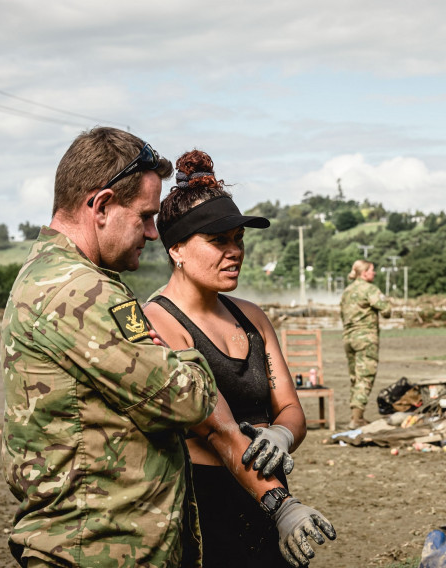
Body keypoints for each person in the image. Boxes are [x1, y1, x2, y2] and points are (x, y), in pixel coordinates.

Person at [0, 127, 218, 568]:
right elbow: (189, 399)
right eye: (144, 216)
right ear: (100, 206)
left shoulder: (49, 273)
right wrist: (186, 357)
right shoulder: (82, 290)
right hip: (97, 550)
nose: (153, 233)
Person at [143, 150, 336, 568]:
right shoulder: (157, 322)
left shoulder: (251, 316)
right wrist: (282, 505)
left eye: (238, 239)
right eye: (218, 241)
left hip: (271, 493)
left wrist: (281, 435)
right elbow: (216, 429)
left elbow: (290, 408)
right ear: (176, 248)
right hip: (203, 506)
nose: (234, 252)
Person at [340, 259, 391, 429]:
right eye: (372, 270)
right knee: (365, 377)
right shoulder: (369, 289)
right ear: (364, 273)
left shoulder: (347, 291)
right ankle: (357, 419)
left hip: (348, 338)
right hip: (366, 339)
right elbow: (386, 311)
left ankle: (356, 415)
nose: (374, 273)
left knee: (355, 377)